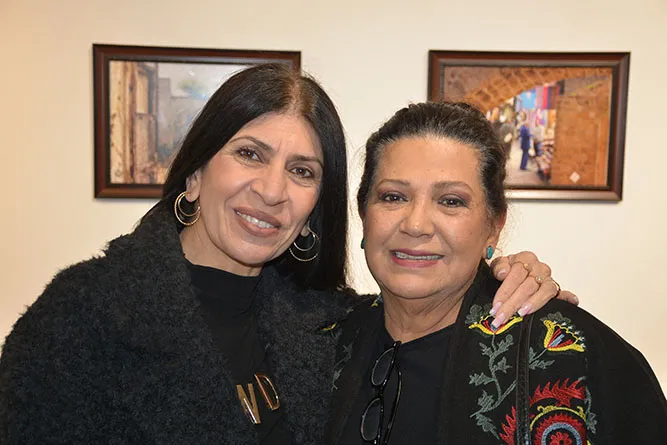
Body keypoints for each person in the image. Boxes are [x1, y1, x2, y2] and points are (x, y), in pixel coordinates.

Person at [0, 65, 572, 445]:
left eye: (301, 171)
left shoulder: (327, 324)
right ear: (195, 174)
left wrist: (504, 275)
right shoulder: (83, 314)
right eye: (250, 154)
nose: (272, 191)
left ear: (316, 203)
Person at [327, 102, 667, 444]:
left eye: (451, 201)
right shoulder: (324, 342)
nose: (416, 225)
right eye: (393, 197)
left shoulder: (571, 355)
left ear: (493, 226)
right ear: (364, 214)